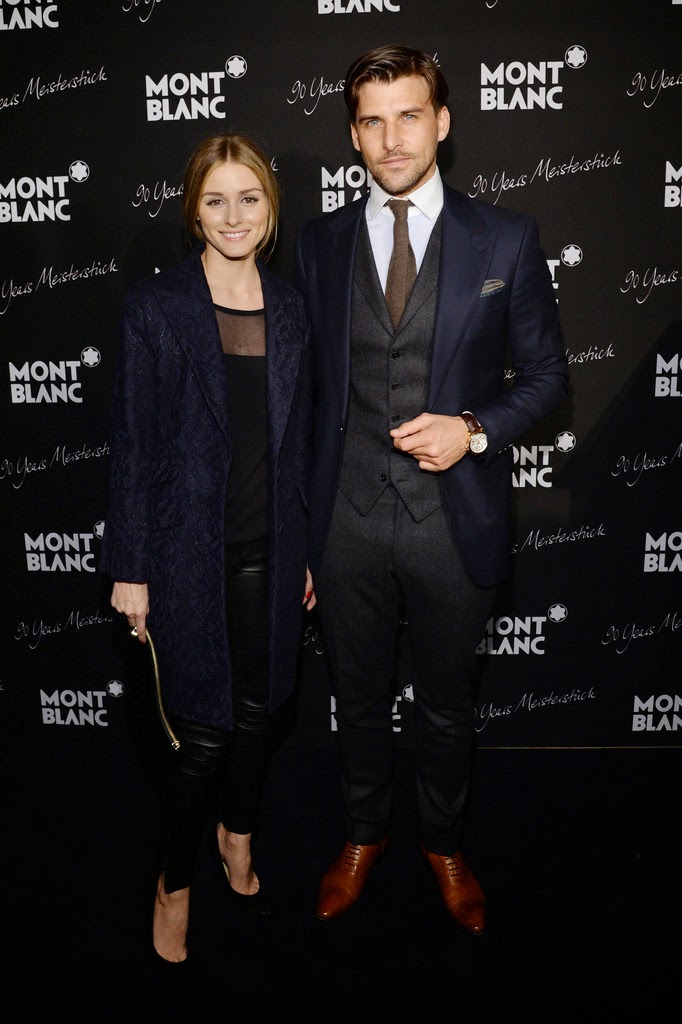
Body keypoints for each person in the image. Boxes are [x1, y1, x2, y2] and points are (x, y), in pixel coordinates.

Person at [294, 44, 568, 935]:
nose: (391, 138)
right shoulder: (320, 243)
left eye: (409, 115)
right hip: (344, 521)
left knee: (447, 706)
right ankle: (364, 834)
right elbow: (304, 398)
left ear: (442, 123)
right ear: (353, 135)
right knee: (358, 700)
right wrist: (301, 531)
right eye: (372, 121)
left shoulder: (506, 237)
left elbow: (548, 379)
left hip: (453, 520)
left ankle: (444, 843)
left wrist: (473, 428)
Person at [101, 132, 315, 964]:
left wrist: (304, 550)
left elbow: (297, 446)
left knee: (260, 716)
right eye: (215, 200)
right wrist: (130, 568)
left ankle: (239, 833)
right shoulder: (156, 307)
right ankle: (174, 884)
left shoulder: (291, 309)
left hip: (271, 550)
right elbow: (132, 445)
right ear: (194, 211)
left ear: (269, 208)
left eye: (249, 199)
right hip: (183, 553)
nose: (233, 216)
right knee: (203, 739)